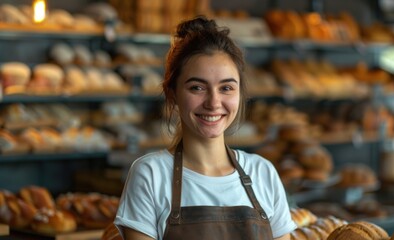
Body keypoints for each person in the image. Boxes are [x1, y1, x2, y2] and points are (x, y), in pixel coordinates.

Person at [114, 16, 296, 240]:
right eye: (197, 87)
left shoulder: (263, 173)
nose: (213, 102)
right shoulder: (151, 175)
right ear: (172, 94)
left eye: (226, 88)